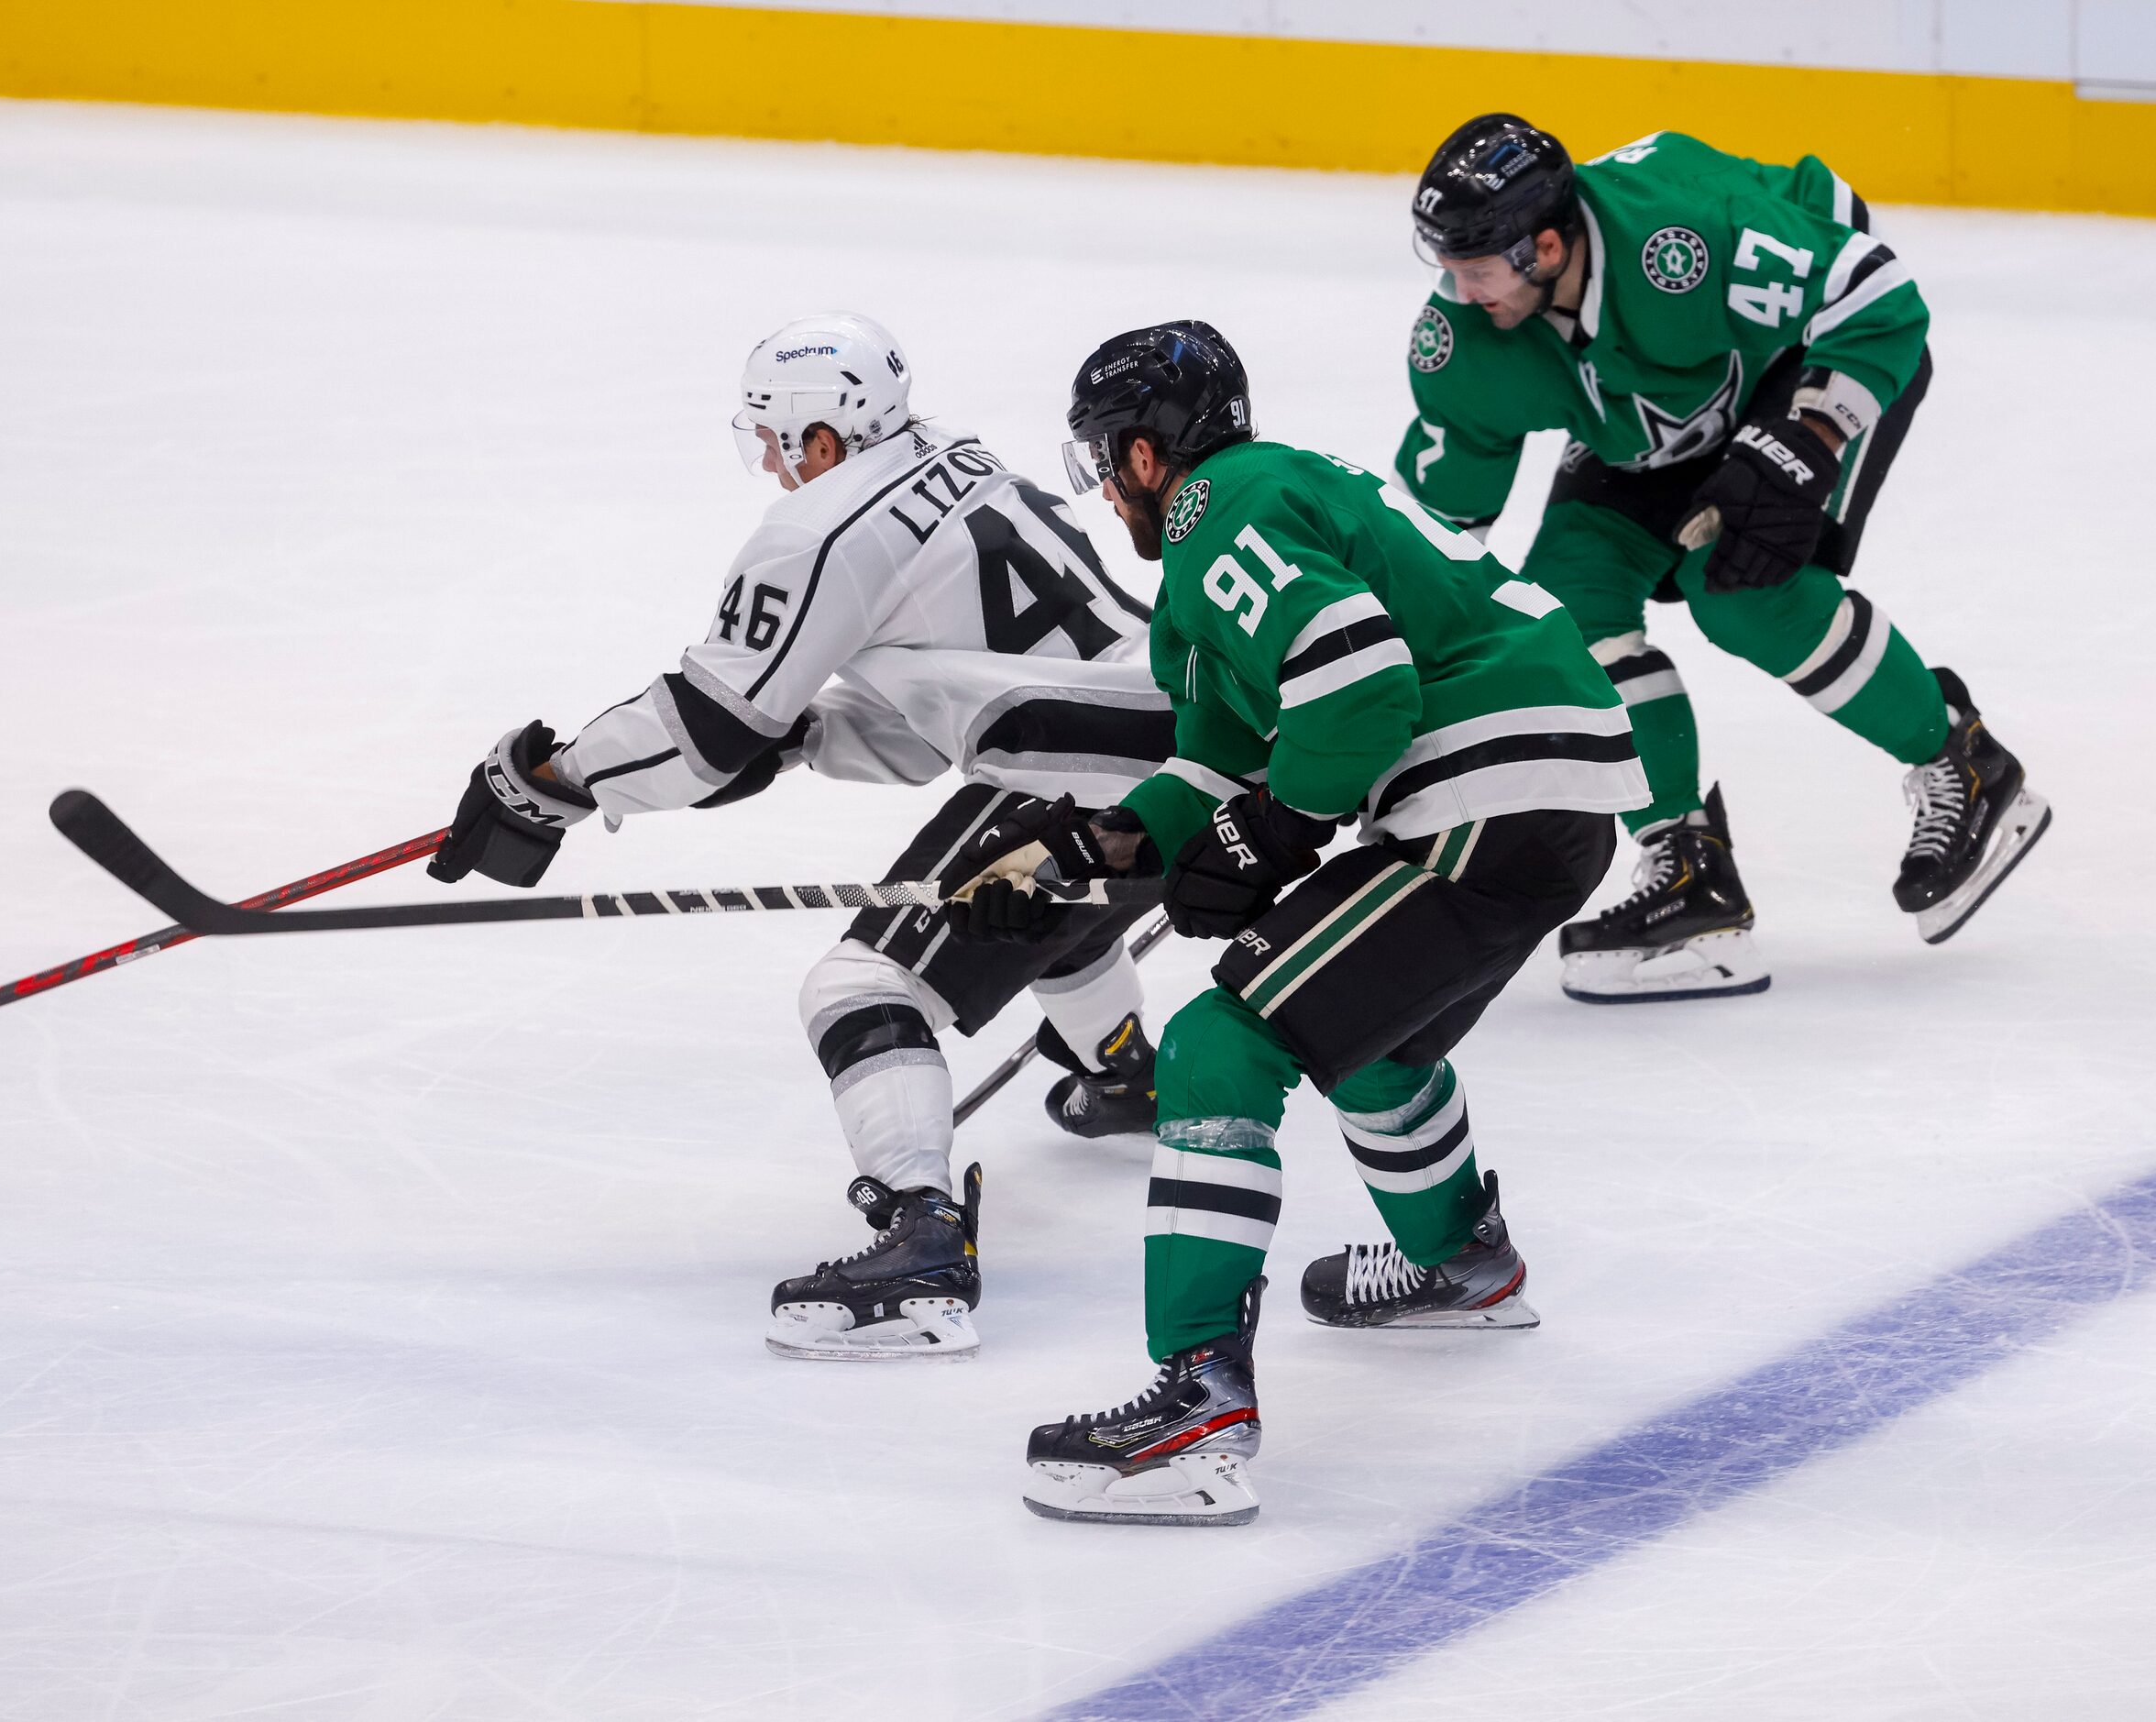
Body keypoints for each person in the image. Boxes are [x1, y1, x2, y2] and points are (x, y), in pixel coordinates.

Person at [945, 321, 1647, 1525]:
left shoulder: (1227, 500)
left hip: (1483, 787)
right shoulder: (1248, 528)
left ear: (1149, 454)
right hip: (1542, 793)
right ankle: (1460, 1258)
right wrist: (1088, 848)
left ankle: (1201, 1398)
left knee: (1223, 1042)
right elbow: (1219, 766)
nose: (1109, 488)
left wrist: (1275, 829)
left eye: (1108, 460)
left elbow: (1362, 685)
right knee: (1379, 1035)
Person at [427, 313, 1173, 1361]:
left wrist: (554, 781)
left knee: (860, 989)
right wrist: (803, 735)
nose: (775, 469)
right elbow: (919, 714)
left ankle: (920, 1244)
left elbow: (705, 726)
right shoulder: (958, 459)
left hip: (1067, 772)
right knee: (1054, 915)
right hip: (1181, 754)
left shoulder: (821, 527)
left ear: (820, 440)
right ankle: (1125, 1069)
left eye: (777, 445)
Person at [1396, 116, 2051, 1001]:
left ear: (1544, 246)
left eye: (1475, 270)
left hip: (1800, 363)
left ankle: (1964, 761)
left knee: (1741, 589)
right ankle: (1687, 870)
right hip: (1650, 410)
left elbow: (1878, 297)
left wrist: (1807, 440)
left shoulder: (1681, 238)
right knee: (1563, 615)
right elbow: (1438, 533)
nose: (1459, 292)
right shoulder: (1465, 338)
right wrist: (1379, 646)